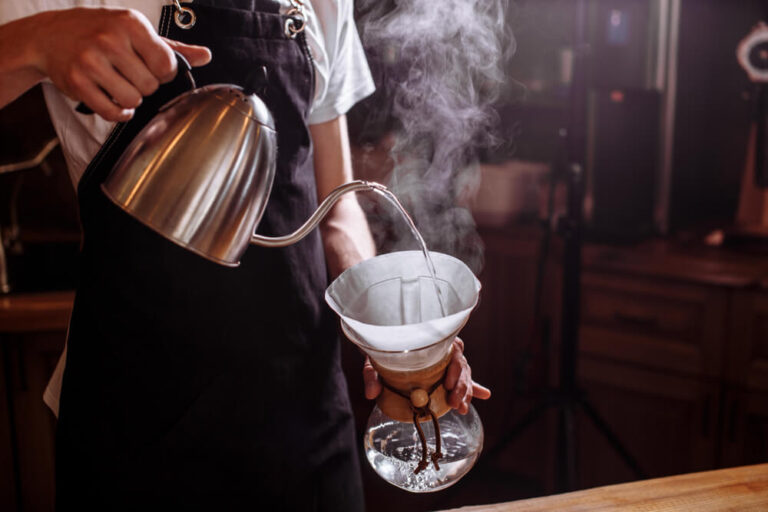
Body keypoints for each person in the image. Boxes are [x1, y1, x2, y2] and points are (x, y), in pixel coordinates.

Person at [0, 1, 491, 509]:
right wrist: (38, 42)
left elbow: (338, 205)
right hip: (136, 422)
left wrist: (393, 335)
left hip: (308, 420)